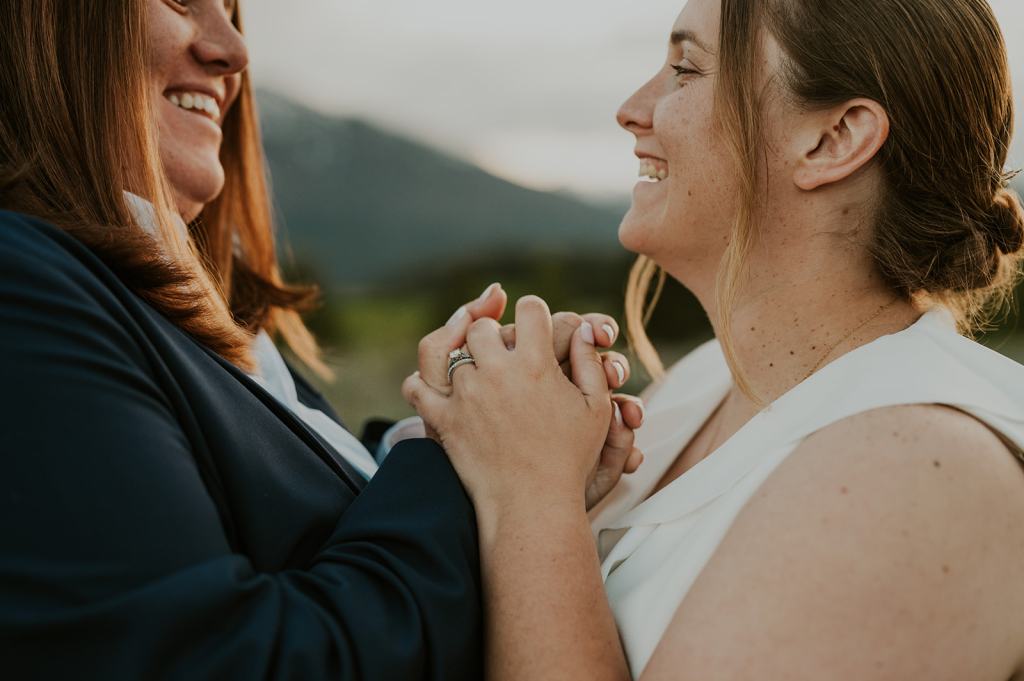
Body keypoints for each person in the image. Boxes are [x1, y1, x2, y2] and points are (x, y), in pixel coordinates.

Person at [0, 0, 642, 678]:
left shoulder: (197, 319)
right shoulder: (20, 290)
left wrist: (470, 419)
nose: (233, 51)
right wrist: (478, 461)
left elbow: (305, 532)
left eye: (232, 9)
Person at [404, 0, 1024, 678]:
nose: (632, 110)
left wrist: (532, 491)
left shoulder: (919, 470)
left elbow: (532, 515)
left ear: (833, 140)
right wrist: (483, 435)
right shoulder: (702, 381)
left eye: (685, 69)